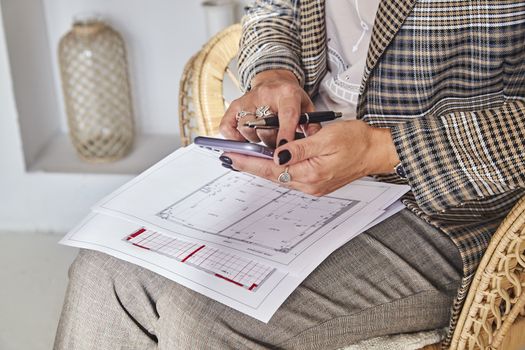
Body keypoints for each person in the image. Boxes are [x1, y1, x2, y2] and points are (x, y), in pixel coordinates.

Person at [54, 1, 525, 349]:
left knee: (203, 316)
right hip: (300, 161)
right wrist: (273, 74)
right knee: (103, 276)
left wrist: (385, 149)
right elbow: (272, 9)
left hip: (457, 198)